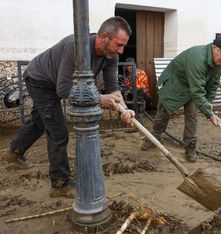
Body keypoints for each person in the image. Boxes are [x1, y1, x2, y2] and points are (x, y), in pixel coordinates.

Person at [1, 16, 135, 198]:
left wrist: (124, 109)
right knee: (58, 131)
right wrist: (98, 99)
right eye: (118, 44)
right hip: (40, 80)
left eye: (123, 46)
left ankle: (14, 152)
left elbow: (112, 88)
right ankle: (60, 184)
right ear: (104, 37)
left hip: (55, 81)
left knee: (40, 121)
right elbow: (64, 89)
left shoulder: (110, 56)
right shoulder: (77, 48)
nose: (121, 50)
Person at [142, 35, 221, 162]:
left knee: (192, 116)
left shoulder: (219, 61)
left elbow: (213, 85)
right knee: (164, 111)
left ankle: (190, 146)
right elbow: (197, 91)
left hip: (193, 86)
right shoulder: (198, 59)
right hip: (176, 83)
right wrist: (209, 114)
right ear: (214, 48)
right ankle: (154, 137)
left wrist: (209, 103)